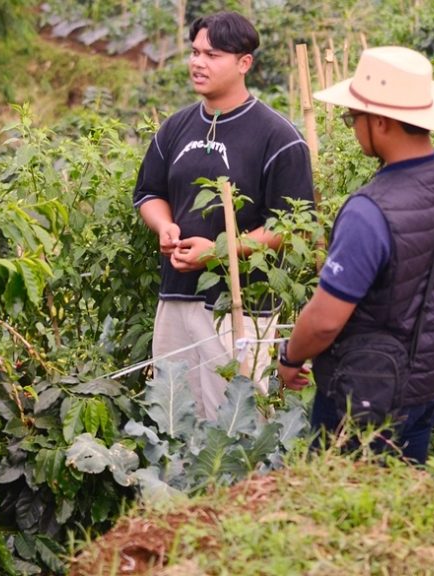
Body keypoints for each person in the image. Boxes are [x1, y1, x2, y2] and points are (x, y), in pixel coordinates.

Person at [277, 47, 434, 464]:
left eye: (354, 118)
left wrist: (291, 357)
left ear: (381, 122)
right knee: (399, 514)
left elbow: (324, 320)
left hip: (364, 397)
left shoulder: (370, 212)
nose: (353, 128)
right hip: (428, 387)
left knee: (345, 515)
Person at [133, 12, 315, 420]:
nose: (198, 63)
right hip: (175, 298)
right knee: (172, 417)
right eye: (195, 52)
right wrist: (164, 226)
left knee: (234, 424)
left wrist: (219, 251)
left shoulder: (278, 138)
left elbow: (291, 225)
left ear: (244, 63)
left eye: (212, 55)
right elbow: (149, 192)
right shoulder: (176, 127)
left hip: (241, 308)